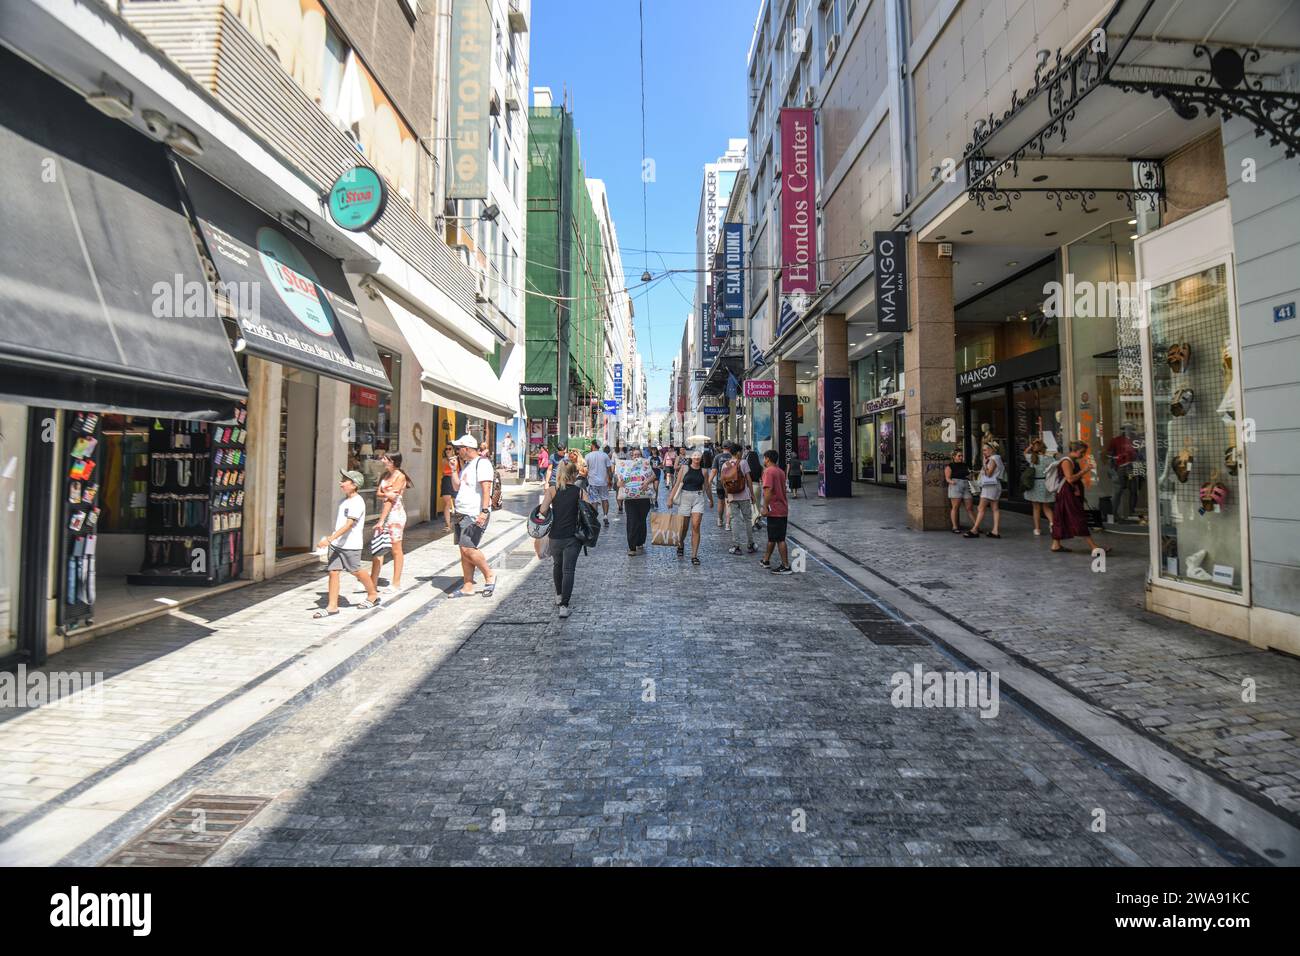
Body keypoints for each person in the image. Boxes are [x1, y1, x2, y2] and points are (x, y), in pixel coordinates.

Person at [313, 470, 381, 618]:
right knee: (333, 572)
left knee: (356, 570)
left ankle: (373, 594)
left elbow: (349, 525)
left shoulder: (357, 502)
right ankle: (332, 606)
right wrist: (333, 540)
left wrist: (329, 539)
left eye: (345, 480)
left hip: (350, 544)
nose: (341, 483)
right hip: (338, 544)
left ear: (354, 485)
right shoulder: (343, 501)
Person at [536, 460, 589, 619]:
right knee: (569, 570)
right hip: (573, 537)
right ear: (574, 474)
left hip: (555, 536)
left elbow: (543, 511)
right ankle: (564, 606)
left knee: (557, 565)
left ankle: (559, 595)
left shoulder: (552, 490)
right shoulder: (580, 492)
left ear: (559, 474)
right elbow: (591, 509)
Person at [448, 434, 497, 598]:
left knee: (468, 548)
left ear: (466, 449)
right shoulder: (467, 465)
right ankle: (467, 585)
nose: (457, 452)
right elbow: (456, 487)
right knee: (464, 551)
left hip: (474, 513)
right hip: (461, 512)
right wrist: (454, 470)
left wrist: (484, 511)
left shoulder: (482, 464)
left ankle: (489, 575)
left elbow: (486, 488)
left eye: (458, 449)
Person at [1052, 441, 1110, 556]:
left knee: (1061, 516)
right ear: (1075, 450)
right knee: (1077, 517)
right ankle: (1094, 547)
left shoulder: (1070, 461)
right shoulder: (1066, 461)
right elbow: (1070, 479)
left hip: (1068, 493)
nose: (1083, 455)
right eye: (1082, 452)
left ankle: (1056, 544)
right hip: (1067, 494)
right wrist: (1085, 470)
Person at [370, 452, 410, 592]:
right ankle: (372, 581)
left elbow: (389, 499)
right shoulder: (386, 475)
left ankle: (396, 582)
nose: (383, 460)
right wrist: (386, 494)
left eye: (385, 459)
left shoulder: (400, 476)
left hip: (395, 515)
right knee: (379, 547)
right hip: (386, 513)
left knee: (395, 548)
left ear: (393, 461)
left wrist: (381, 520)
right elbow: (379, 494)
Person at [666, 448, 712, 565]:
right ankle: (681, 543)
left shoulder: (704, 471)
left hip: (698, 498)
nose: (696, 457)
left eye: (698, 456)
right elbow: (677, 484)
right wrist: (670, 498)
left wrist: (711, 499)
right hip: (685, 498)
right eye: (695, 455)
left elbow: (707, 486)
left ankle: (694, 556)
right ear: (691, 457)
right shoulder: (684, 468)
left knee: (696, 526)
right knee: (683, 527)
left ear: (701, 458)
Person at [615, 447, 657, 555]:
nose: (636, 457)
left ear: (642, 456)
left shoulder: (646, 466)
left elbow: (654, 476)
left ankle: (640, 541)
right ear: (631, 456)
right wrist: (620, 483)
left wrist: (647, 482)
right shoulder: (626, 467)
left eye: (639, 455)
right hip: (630, 500)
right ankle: (632, 547)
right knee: (632, 521)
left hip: (643, 499)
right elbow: (618, 483)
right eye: (634, 455)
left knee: (641, 521)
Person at [720, 442, 757, 555]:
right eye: (741, 451)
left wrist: (727, 495)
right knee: (747, 519)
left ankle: (736, 546)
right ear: (738, 452)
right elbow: (749, 480)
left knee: (734, 520)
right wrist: (752, 494)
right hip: (744, 495)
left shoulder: (725, 465)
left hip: (732, 496)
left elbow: (723, 482)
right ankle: (750, 544)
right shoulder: (743, 462)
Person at [760, 450, 793, 574]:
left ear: (767, 459)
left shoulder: (768, 471)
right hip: (782, 508)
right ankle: (765, 560)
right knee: (773, 537)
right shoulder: (780, 471)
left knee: (779, 539)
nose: (764, 461)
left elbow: (768, 490)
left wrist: (764, 506)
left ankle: (785, 566)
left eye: (764, 458)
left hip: (774, 509)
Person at [965, 442, 1005, 539]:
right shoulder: (997, 458)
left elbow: (989, 474)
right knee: (995, 508)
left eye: (985, 450)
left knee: (981, 508)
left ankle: (975, 529)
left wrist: (984, 464)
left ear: (992, 449)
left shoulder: (992, 459)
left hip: (989, 487)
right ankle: (995, 531)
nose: (983, 452)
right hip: (995, 485)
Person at [1023, 438, 1058, 536]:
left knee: (1036, 508)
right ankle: (1052, 524)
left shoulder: (1032, 458)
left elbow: (1024, 452)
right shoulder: (1049, 459)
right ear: (1044, 449)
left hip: (1034, 483)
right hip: (1045, 483)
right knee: (1046, 507)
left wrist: (1031, 444)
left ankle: (1037, 529)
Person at [944, 448, 976, 534]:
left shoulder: (965, 465)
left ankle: (976, 526)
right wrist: (952, 482)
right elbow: (947, 478)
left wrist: (971, 475)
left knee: (969, 508)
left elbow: (968, 476)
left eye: (962, 456)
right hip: (956, 485)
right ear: (954, 457)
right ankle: (955, 527)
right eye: (959, 456)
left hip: (965, 485)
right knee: (955, 507)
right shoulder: (950, 466)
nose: (961, 457)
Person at [584, 439, 614, 528]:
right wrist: (610, 480)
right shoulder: (605, 455)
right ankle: (605, 516)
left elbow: (586, 469)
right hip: (603, 482)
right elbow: (609, 469)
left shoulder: (588, 456)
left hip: (592, 482)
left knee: (594, 501)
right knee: (605, 499)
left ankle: (595, 518)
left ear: (593, 445)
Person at [711, 443, 733, 529]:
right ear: (730, 448)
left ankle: (720, 520)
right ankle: (728, 524)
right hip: (731, 483)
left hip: (720, 482)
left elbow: (714, 471)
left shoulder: (717, 457)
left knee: (720, 502)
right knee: (729, 503)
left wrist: (708, 482)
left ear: (722, 447)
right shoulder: (733, 456)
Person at [745, 445, 765, 529]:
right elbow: (762, 479)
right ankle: (756, 519)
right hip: (757, 486)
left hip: (749, 487)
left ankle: (753, 522)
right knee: (757, 504)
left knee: (751, 505)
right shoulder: (760, 467)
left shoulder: (747, 467)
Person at [439, 445, 457, 533]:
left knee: (457, 502)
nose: (448, 450)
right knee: (447, 503)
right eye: (446, 449)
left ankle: (458, 523)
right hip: (447, 480)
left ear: (453, 450)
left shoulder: (457, 459)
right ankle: (448, 525)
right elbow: (445, 469)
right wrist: (451, 459)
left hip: (455, 480)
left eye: (450, 449)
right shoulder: (444, 460)